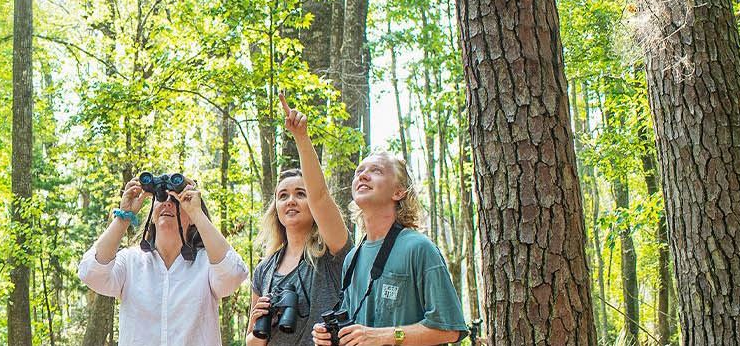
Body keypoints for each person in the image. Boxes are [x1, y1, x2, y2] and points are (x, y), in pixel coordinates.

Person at [310, 142, 470, 344]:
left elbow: (450, 330)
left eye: (376, 171)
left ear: (398, 192)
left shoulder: (419, 248)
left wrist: (387, 336)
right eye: (359, 172)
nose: (363, 176)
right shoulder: (352, 258)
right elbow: (357, 332)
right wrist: (331, 335)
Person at [77, 174, 246, 345]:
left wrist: (197, 212)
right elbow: (90, 273)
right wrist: (124, 217)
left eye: (176, 200)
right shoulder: (130, 262)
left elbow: (234, 275)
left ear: (191, 218)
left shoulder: (207, 263)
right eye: (162, 197)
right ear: (151, 215)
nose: (168, 203)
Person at [246, 100, 354, 346]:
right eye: (283, 196)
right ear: (276, 209)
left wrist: (302, 139)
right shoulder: (264, 270)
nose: (291, 201)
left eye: (300, 194)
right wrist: (258, 323)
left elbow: (322, 197)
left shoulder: (331, 253)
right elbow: (251, 343)